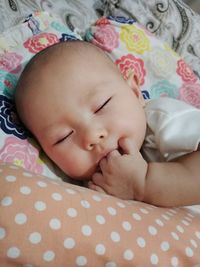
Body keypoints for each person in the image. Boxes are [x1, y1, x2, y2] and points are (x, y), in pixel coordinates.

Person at [15, 40, 200, 207]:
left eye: (101, 106)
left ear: (135, 92)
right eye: (63, 137)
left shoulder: (163, 119)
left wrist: (144, 184)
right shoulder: (84, 190)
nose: (92, 135)